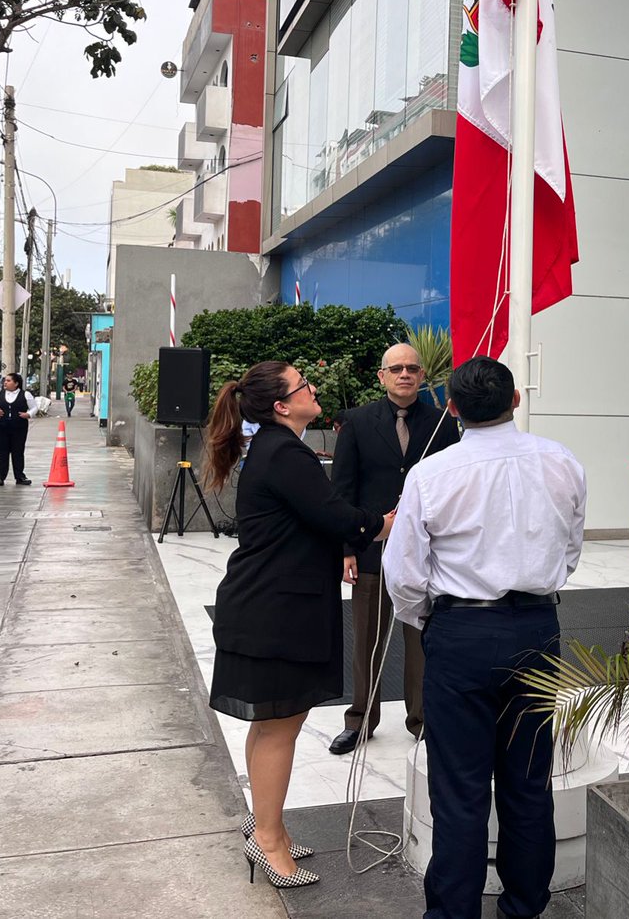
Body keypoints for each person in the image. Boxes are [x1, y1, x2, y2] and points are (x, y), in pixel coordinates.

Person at [384, 356, 586, 919]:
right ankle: (524, 909)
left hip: (460, 633)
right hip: (537, 629)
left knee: (460, 790)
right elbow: (570, 550)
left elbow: (402, 573)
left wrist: (431, 618)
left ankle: (453, 913)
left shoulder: (431, 474)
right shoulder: (563, 461)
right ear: (515, 400)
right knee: (528, 783)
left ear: (449, 409)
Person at [204, 361, 388, 890]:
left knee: (270, 723)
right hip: (275, 609)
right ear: (282, 405)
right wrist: (382, 525)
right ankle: (267, 841)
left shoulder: (275, 449)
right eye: (303, 385)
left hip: (269, 602)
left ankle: (268, 826)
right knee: (281, 726)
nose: (312, 389)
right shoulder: (285, 452)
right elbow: (333, 514)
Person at [328, 343, 460, 753]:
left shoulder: (442, 424)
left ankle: (421, 718)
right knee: (367, 636)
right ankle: (360, 719)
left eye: (413, 368)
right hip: (371, 549)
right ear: (382, 377)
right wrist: (347, 548)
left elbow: (452, 485)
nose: (405, 374)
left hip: (425, 551)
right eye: (397, 368)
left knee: (421, 637)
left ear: (423, 377)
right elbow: (343, 489)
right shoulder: (357, 421)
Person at [0, 373, 36, 486]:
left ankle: (19, 476)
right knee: (1, 452)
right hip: (1, 427)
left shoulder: (25, 394)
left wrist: (28, 414)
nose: (5, 382)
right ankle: (0, 476)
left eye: (8, 381)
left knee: (18, 452)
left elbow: (34, 407)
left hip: (19, 428)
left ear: (16, 383)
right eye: (5, 380)